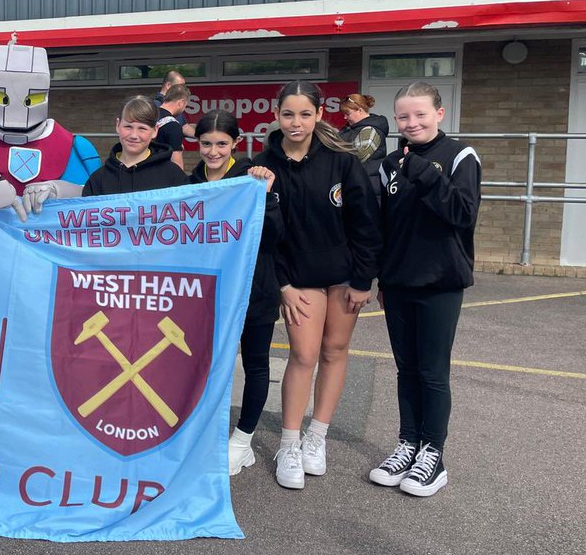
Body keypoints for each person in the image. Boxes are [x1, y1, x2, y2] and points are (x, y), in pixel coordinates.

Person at [254, 81, 381, 490]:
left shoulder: (342, 161)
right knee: (304, 354)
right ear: (276, 115)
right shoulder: (262, 166)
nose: (296, 122)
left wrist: (363, 279)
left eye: (304, 114)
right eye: (288, 114)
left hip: (343, 277)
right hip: (298, 279)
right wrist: (283, 285)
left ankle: (316, 437)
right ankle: (289, 444)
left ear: (319, 115)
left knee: (335, 350)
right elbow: (261, 237)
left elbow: (365, 222)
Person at [370, 83, 480, 497]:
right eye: (403, 117)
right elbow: (383, 226)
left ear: (440, 113)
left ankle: (434, 455)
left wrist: (426, 175)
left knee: (433, 373)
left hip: (441, 283)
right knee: (407, 370)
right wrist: (381, 276)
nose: (411, 123)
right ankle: (408, 444)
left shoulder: (460, 156)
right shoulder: (387, 165)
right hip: (398, 282)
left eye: (420, 115)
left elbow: (463, 214)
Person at [187, 110, 282, 475]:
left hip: (254, 288)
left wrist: (268, 196)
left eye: (221, 144)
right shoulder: (189, 181)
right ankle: (205, 433)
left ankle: (242, 440)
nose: (213, 151)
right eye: (206, 143)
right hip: (207, 292)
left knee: (255, 363)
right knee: (206, 365)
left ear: (236, 143)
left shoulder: (252, 178)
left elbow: (276, 236)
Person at [0, 44, 101, 220]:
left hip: (40, 240)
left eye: (31, 99)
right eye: (1, 98)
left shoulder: (68, 144)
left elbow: (87, 192)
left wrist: (56, 189)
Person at [82, 95, 188, 196]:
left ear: (155, 130)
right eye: (128, 126)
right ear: (118, 125)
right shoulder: (97, 180)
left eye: (142, 128)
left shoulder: (173, 176)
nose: (134, 135)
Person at [339, 93, 390, 182]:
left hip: (366, 185)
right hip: (358, 181)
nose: (345, 117)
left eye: (347, 113)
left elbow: (358, 156)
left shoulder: (370, 130)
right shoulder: (352, 128)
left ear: (359, 110)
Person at [155, 85, 190, 169]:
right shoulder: (173, 126)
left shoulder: (149, 116)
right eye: (185, 106)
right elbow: (177, 166)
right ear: (181, 103)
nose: (184, 109)